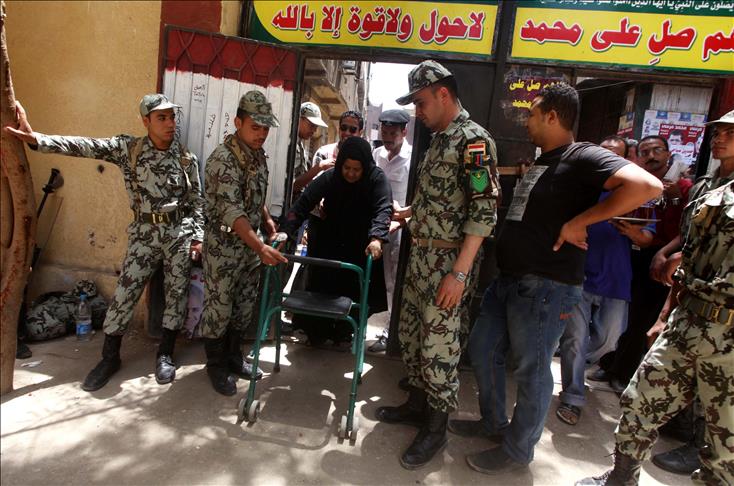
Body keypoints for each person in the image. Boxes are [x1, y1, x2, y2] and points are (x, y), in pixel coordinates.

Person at [456, 83, 662, 474]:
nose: (527, 121)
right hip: (509, 280)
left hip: (546, 286)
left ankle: (518, 450)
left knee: (532, 372)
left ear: (552, 116)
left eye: (532, 114)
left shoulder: (582, 154)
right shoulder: (543, 161)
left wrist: (581, 222)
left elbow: (647, 187)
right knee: (482, 350)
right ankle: (494, 423)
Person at [4, 95, 205, 390]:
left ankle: (165, 354)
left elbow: (197, 201)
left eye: (172, 117)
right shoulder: (129, 149)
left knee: (177, 294)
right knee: (125, 294)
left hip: (178, 234)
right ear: (146, 121)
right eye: (161, 118)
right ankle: (110, 357)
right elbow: (85, 146)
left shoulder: (186, 159)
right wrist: (37, 140)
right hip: (144, 234)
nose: (170, 123)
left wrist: (197, 237)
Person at [576, 110, 734, 486]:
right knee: (639, 400)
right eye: (718, 131)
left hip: (727, 334)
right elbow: (690, 250)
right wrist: (665, 314)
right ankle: (621, 478)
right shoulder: (707, 187)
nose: (719, 137)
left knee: (724, 440)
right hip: (687, 320)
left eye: (730, 133)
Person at [375, 60, 499, 470]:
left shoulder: (474, 141)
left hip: (448, 263)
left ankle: (436, 427)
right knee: (412, 336)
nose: (418, 111)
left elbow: (483, 212)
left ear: (443, 94)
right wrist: (408, 213)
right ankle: (416, 404)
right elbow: (440, 199)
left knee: (439, 348)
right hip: (421, 257)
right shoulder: (439, 140)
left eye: (421, 102)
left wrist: (459, 274)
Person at [556, 135, 655, 426]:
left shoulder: (637, 195)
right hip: (578, 274)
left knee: (609, 339)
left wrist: (631, 232)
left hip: (615, 278)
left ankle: (574, 362)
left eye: (615, 155)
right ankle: (573, 396)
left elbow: (647, 239)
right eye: (604, 154)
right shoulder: (581, 190)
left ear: (626, 160)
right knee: (575, 338)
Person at [200, 91, 287, 396]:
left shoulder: (256, 155)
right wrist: (261, 248)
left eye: (265, 128)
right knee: (220, 307)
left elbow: (252, 195)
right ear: (238, 123)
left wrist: (267, 220)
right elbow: (233, 212)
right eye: (255, 127)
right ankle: (216, 366)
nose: (261, 134)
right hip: (224, 245)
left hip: (248, 245)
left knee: (243, 306)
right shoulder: (223, 160)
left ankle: (235, 357)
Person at [591, 135, 693, 392]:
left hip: (666, 258)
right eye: (645, 151)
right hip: (634, 253)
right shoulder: (636, 182)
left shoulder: (682, 187)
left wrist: (665, 252)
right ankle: (611, 364)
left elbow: (686, 228)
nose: (651, 156)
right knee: (629, 316)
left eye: (657, 150)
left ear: (668, 154)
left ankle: (623, 373)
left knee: (644, 319)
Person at [280, 136, 392, 344]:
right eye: (346, 168)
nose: (350, 173)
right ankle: (316, 332)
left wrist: (377, 238)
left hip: (360, 245)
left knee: (353, 293)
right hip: (330, 242)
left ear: (365, 166)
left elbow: (384, 209)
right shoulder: (330, 177)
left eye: (356, 169)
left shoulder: (377, 179)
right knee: (321, 289)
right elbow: (303, 203)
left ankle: (344, 332)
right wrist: (286, 231)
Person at [368, 109, 412, 353]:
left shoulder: (412, 158)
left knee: (394, 282)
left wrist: (401, 221)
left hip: (399, 229)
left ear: (404, 132)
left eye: (392, 134)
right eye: (384, 133)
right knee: (378, 280)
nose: (387, 138)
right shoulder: (377, 155)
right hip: (377, 227)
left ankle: (391, 333)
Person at [289, 102, 328, 205]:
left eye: (316, 126)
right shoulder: (289, 144)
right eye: (311, 125)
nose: (314, 130)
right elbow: (292, 186)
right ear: (299, 119)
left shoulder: (299, 144)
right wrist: (319, 167)